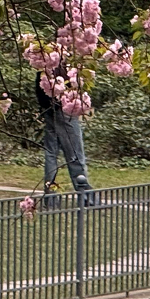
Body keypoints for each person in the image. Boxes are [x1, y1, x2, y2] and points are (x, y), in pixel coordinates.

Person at [37, 66, 92, 205]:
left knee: (51, 154)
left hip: (49, 109)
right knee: (75, 154)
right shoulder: (61, 60)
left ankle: (50, 198)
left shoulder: (44, 60)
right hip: (64, 109)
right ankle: (86, 196)